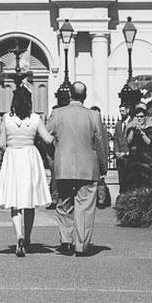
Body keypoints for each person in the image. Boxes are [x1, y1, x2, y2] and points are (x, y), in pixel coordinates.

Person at [0, 86, 54, 257]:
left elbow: (2, 144)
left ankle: (18, 235)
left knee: (15, 201)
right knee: (29, 201)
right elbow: (47, 139)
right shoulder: (35, 118)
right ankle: (27, 237)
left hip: (13, 155)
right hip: (29, 156)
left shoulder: (6, 118)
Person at [46, 80, 108, 258]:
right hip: (87, 167)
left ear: (70, 95)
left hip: (63, 165)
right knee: (85, 207)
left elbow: (46, 137)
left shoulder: (57, 114)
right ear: (85, 96)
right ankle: (81, 245)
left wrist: (53, 155)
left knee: (64, 203)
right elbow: (101, 143)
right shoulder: (93, 116)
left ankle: (66, 240)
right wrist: (103, 166)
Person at [124, 101, 152, 190]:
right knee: (132, 183)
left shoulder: (150, 129)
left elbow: (149, 142)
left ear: (145, 117)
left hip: (145, 158)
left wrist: (141, 132)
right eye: (137, 117)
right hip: (134, 159)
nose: (139, 119)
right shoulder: (131, 129)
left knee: (145, 182)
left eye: (141, 117)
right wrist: (134, 130)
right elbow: (128, 141)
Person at [113, 103, 131, 190]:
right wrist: (116, 152)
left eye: (123, 111)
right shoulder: (118, 124)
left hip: (129, 156)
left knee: (129, 179)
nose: (121, 113)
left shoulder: (132, 123)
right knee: (121, 179)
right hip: (120, 156)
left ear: (128, 110)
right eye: (120, 111)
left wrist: (126, 153)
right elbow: (115, 138)